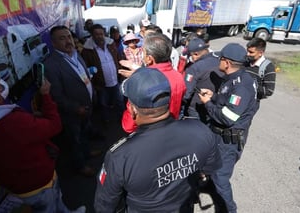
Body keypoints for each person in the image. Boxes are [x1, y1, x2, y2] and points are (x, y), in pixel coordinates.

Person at [0, 60, 85, 213]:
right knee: (51, 204)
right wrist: (46, 95)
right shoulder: (9, 123)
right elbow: (54, 126)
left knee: (57, 201)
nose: (2, 80)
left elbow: (13, 138)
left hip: (20, 184)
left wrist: (30, 122)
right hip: (39, 183)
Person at [94, 67, 222, 212]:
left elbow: (104, 205)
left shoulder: (120, 156)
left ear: (132, 109)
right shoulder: (200, 130)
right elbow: (209, 169)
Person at [198, 43, 258, 213]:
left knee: (221, 177)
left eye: (220, 59)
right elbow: (226, 99)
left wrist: (208, 103)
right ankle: (211, 188)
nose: (218, 62)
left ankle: (229, 209)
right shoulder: (233, 78)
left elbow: (227, 117)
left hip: (228, 140)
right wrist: (214, 97)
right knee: (212, 167)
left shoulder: (241, 86)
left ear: (227, 62)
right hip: (220, 136)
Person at [44, 25, 97, 177]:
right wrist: (76, 108)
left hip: (86, 106)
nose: (68, 41)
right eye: (62, 38)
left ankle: (87, 152)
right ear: (53, 43)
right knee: (75, 140)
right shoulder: (51, 65)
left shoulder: (76, 54)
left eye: (68, 37)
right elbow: (56, 95)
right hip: (72, 112)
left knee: (85, 132)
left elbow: (85, 76)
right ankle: (80, 166)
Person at [119, 33, 186, 133]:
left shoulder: (144, 83)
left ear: (149, 59)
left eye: (144, 53)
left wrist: (138, 77)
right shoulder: (178, 77)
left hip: (147, 133)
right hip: (172, 128)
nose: (142, 56)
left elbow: (129, 126)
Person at [81, 23, 123, 123]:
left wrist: (120, 71)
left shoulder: (110, 44)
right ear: (92, 35)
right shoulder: (87, 50)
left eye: (101, 34)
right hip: (101, 84)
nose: (99, 36)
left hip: (115, 80)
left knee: (119, 101)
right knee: (103, 104)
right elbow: (85, 68)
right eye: (97, 34)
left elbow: (118, 57)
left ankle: (122, 119)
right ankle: (106, 121)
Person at [182, 37, 224, 123]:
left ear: (195, 54)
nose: (190, 58)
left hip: (196, 108)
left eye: (190, 55)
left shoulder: (194, 68)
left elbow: (186, 94)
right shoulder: (220, 60)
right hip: (215, 104)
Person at [245, 37, 276, 105]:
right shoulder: (245, 61)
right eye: (247, 51)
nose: (248, 54)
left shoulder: (268, 67)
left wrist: (249, 85)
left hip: (251, 103)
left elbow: (269, 91)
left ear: (260, 53)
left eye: (251, 52)